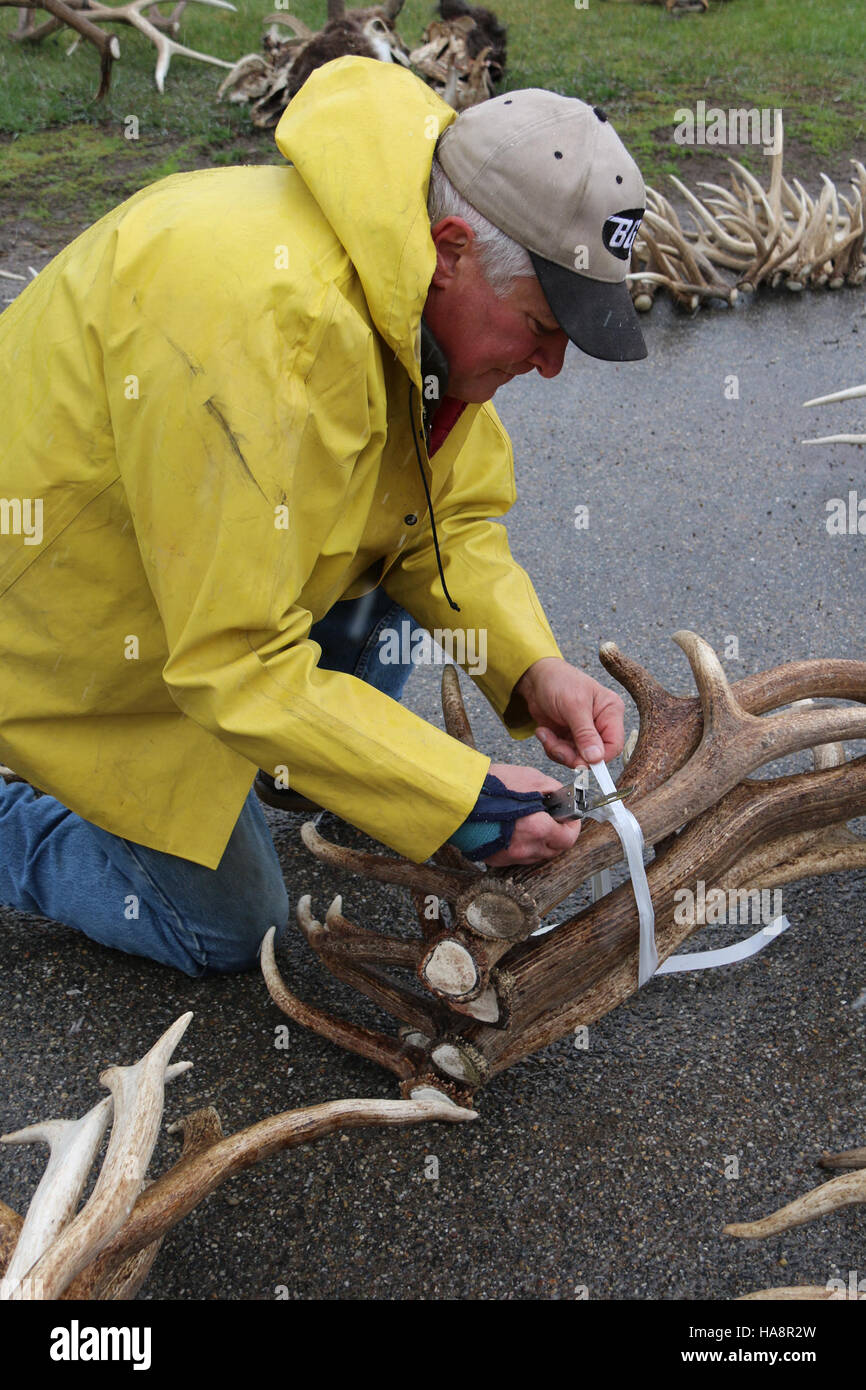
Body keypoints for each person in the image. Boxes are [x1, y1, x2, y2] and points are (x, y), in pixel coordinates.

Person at [0, 57, 646, 977]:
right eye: (543, 325)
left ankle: (317, 765)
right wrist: (459, 796)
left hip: (196, 569)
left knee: (394, 562)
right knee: (235, 931)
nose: (551, 366)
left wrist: (531, 664)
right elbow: (232, 658)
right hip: (61, 621)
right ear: (455, 248)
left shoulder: (407, 280)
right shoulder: (265, 334)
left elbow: (445, 521)